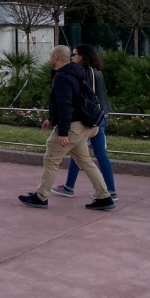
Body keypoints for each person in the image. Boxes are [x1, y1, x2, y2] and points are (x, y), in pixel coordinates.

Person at [18, 45, 114, 211]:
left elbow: (66, 105)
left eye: (50, 56)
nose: (49, 59)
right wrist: (52, 120)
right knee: (85, 161)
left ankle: (41, 197)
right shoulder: (76, 73)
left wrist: (62, 132)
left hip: (71, 127)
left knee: (51, 159)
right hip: (82, 125)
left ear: (55, 58)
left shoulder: (62, 77)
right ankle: (104, 196)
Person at [52, 44, 118, 200]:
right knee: (84, 153)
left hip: (91, 119)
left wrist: (93, 124)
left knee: (84, 153)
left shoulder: (87, 73)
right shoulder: (96, 72)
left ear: (82, 56)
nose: (72, 58)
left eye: (74, 55)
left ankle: (72, 187)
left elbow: (90, 99)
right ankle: (108, 189)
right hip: (99, 117)